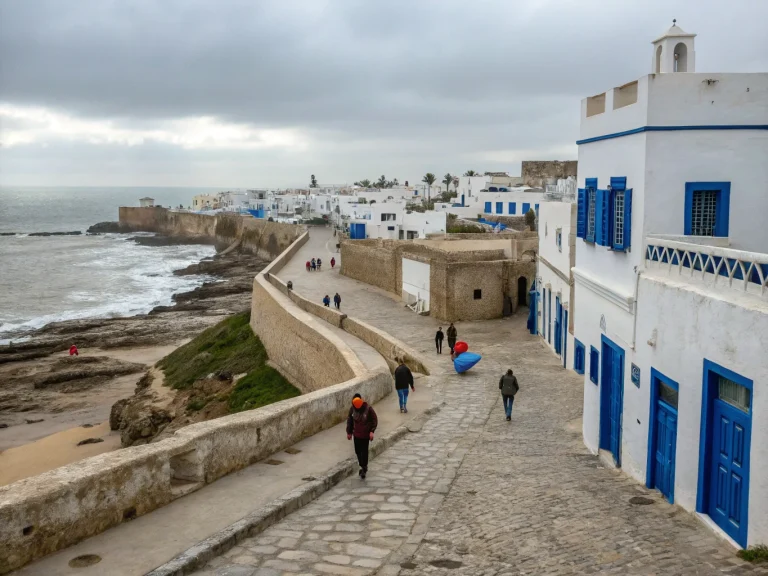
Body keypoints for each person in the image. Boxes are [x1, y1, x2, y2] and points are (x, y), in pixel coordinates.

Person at [346, 393, 377, 479]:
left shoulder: (368, 409)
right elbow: (350, 421)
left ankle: (364, 468)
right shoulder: (352, 410)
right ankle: (362, 465)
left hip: (365, 435)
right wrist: (349, 432)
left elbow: (374, 420)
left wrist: (371, 431)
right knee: (358, 451)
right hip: (356, 435)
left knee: (364, 451)